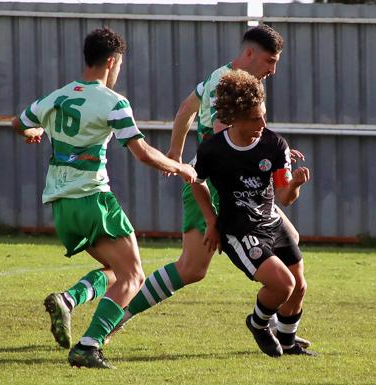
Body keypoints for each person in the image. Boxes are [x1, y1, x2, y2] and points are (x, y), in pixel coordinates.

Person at [107, 24, 311, 349]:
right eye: (270, 61)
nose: (273, 69)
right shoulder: (223, 85)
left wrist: (176, 151)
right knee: (191, 268)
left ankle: (278, 323)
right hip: (217, 186)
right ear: (249, 53)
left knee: (289, 239)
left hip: (242, 186)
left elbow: (186, 108)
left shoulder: (234, 80)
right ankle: (116, 318)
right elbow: (223, 136)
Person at [12, 27, 196, 369]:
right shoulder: (114, 102)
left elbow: (17, 122)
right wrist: (180, 167)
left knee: (115, 269)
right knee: (134, 277)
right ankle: (89, 344)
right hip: (93, 199)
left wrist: (35, 130)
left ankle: (68, 299)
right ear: (112, 61)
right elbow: (141, 153)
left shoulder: (56, 97)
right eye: (120, 64)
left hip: (60, 205)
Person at [191, 70, 315, 357]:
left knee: (298, 287)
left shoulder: (275, 145)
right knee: (282, 284)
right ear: (233, 118)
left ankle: (288, 341)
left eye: (264, 116)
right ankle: (258, 324)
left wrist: (294, 185)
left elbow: (285, 197)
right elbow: (195, 183)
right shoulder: (213, 150)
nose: (262, 124)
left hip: (272, 222)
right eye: (254, 118)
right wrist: (211, 221)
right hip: (239, 230)